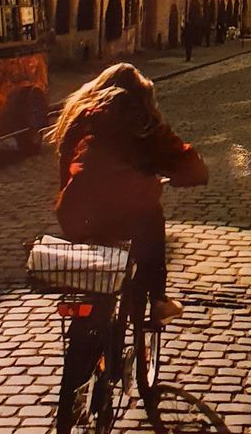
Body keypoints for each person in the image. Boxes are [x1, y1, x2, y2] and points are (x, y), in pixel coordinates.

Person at [46, 63, 208, 326]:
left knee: (92, 263)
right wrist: (196, 172)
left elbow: (66, 166)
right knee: (151, 218)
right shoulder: (141, 119)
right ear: (141, 95)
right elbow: (180, 157)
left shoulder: (78, 118)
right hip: (129, 213)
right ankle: (157, 300)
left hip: (77, 211)